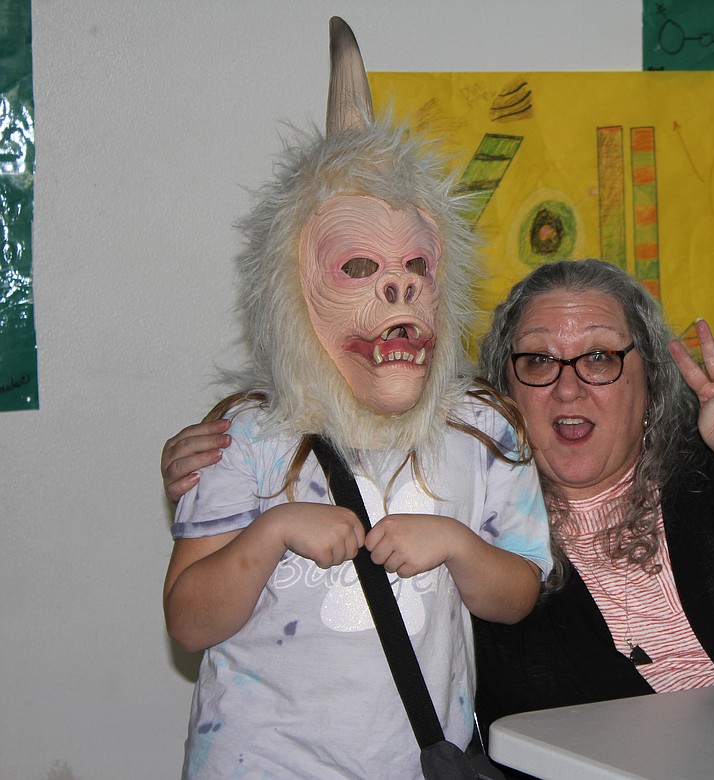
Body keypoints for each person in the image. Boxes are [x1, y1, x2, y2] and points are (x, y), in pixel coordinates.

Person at [164, 258, 714, 750]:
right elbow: (341, 435)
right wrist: (232, 459)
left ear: (650, 387)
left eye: (600, 356)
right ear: (503, 391)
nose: (568, 386)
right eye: (538, 360)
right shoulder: (480, 512)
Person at [163, 19, 550, 780]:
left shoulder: (482, 431)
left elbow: (519, 595)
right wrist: (269, 533)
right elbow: (187, 620)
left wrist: (459, 546)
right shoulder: (246, 436)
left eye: (415, 266)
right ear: (291, 292)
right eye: (360, 265)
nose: (398, 286)